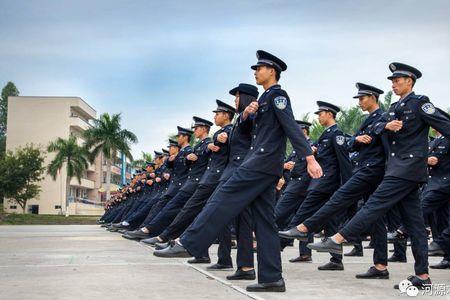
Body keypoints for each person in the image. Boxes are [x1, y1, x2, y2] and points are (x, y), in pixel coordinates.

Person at [153, 50, 322, 293]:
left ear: (271, 71)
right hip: (263, 165)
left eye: (259, 68)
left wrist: (309, 158)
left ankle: (188, 242)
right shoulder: (263, 99)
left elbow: (291, 127)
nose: (255, 72)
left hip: (260, 163)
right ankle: (271, 277)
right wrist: (245, 114)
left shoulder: (278, 96)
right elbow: (246, 131)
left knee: (222, 197)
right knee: (265, 223)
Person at [307, 62, 450, 289]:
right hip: (398, 168)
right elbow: (375, 129)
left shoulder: (421, 104)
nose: (393, 85)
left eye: (397, 80)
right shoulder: (394, 107)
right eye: (392, 81)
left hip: (407, 169)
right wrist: (386, 126)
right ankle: (422, 276)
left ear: (410, 81)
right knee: (414, 225)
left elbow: (446, 125)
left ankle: (338, 239)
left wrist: (423, 156)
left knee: (373, 205)